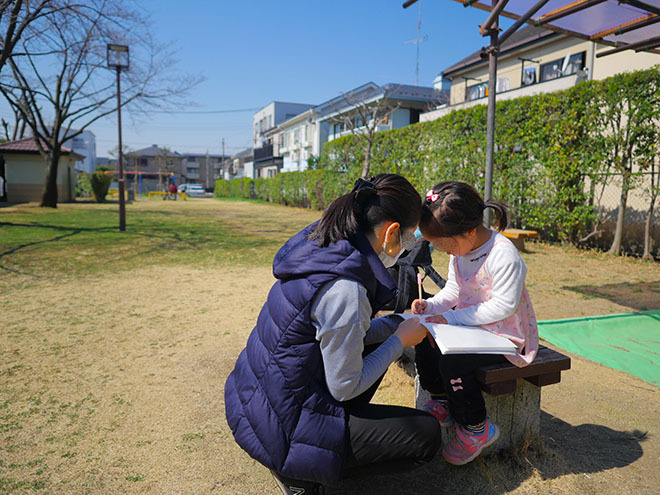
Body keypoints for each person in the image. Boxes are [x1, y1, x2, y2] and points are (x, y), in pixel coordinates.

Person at [225, 174, 442, 494]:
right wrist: (400, 341)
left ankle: (313, 458)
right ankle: (303, 477)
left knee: (379, 342)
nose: (409, 248)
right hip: (284, 431)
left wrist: (396, 323)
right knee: (427, 435)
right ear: (391, 232)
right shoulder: (346, 290)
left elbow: (337, 334)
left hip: (267, 404)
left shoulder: (327, 243)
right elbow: (345, 386)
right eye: (410, 240)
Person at [411, 181, 538, 466]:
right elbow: (454, 292)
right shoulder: (461, 253)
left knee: (453, 363)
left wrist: (452, 317)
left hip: (504, 336)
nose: (443, 251)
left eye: (444, 244)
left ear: (469, 231)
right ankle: (442, 399)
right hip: (473, 330)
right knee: (423, 338)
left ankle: (476, 428)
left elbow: (503, 306)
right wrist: (430, 306)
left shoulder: (503, 255)